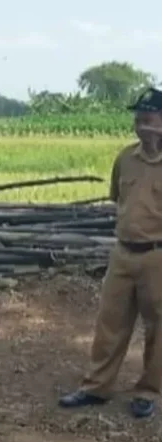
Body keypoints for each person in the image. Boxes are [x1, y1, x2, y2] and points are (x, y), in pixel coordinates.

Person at [59, 87, 162, 418]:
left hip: (157, 256)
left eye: (149, 118)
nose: (142, 125)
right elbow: (117, 197)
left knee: (158, 327)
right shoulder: (125, 158)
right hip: (122, 252)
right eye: (138, 119)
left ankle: (148, 391)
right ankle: (96, 387)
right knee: (110, 323)